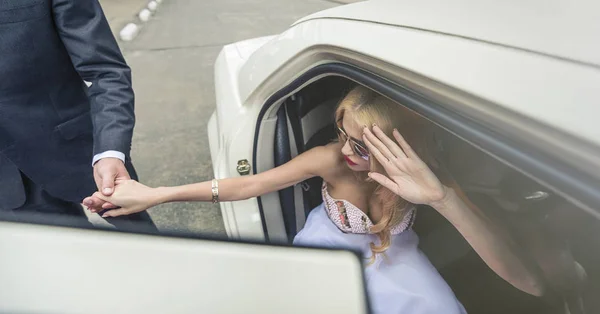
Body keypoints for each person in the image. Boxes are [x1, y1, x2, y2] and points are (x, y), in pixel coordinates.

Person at [87, 86, 544, 313]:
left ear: (402, 149)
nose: (346, 152)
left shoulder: (433, 180)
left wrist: (442, 198)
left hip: (400, 261)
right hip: (328, 252)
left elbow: (530, 283)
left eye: (362, 147)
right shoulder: (329, 158)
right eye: (342, 134)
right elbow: (247, 185)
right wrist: (158, 194)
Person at [0, 0, 155, 230]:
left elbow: (105, 72)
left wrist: (110, 151)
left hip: (80, 156)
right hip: (8, 184)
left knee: (148, 252)